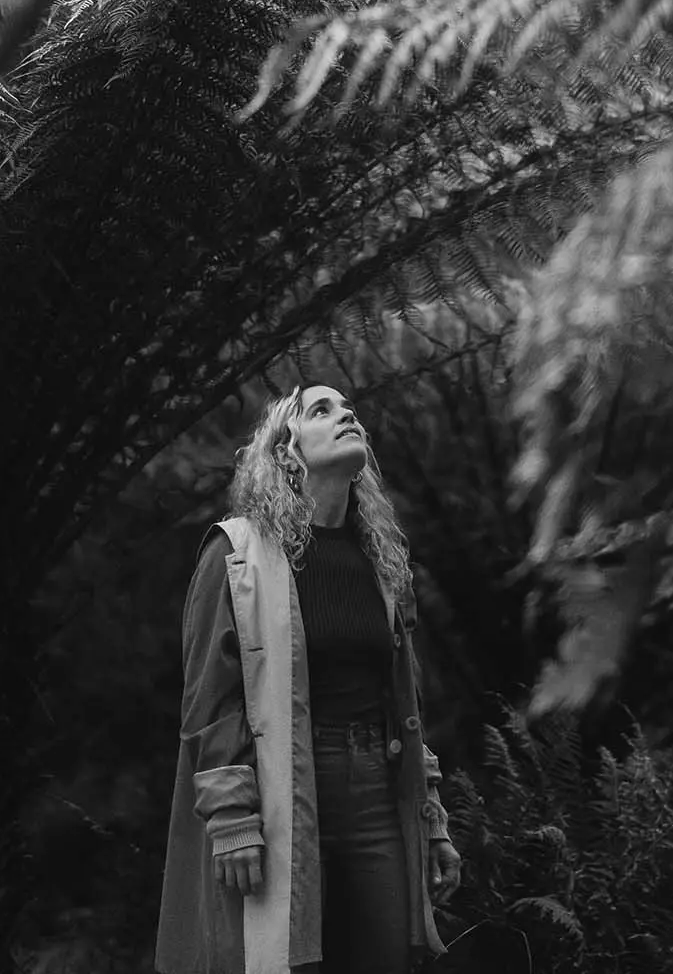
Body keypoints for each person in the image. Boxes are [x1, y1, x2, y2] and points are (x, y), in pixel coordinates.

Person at [155, 384, 463, 974]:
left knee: (385, 961)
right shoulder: (237, 554)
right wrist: (231, 816)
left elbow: (405, 703)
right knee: (284, 963)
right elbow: (208, 701)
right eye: (320, 410)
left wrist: (433, 819)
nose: (345, 414)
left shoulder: (384, 564)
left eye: (348, 410)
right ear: (285, 450)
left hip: (377, 790)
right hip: (282, 796)